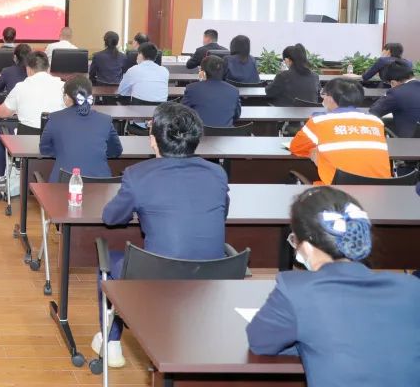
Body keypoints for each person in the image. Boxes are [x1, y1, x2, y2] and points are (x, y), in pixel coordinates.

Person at [96, 102, 229, 368]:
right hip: (212, 278)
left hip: (156, 278)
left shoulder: (137, 175)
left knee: (107, 261)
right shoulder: (218, 173)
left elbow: (111, 217)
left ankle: (111, 342)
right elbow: (222, 213)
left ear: (153, 141)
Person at [247, 187, 420, 384]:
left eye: (295, 240)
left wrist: (307, 341)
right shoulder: (411, 288)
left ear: (307, 247)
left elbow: (260, 343)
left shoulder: (296, 291)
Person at [0, 51, 65, 189]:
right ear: (48, 68)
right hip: (56, 145)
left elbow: (3, 113)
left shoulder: (21, 87)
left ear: (28, 69)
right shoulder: (63, 86)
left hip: (27, 145)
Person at [289, 78, 391, 184]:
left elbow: (296, 147)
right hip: (382, 188)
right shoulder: (376, 121)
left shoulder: (319, 121)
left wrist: (316, 153)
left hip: (338, 190)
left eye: (324, 94)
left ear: (330, 98)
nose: (323, 98)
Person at [40, 75, 122, 182]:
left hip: (63, 185)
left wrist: (64, 151)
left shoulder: (55, 118)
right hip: (100, 186)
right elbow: (116, 151)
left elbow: (44, 149)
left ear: (67, 97)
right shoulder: (105, 120)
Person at [180, 55, 241, 128]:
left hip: (200, 133)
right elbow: (236, 116)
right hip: (227, 133)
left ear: (202, 72)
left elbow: (182, 113)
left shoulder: (192, 89)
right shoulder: (234, 90)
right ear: (224, 72)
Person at [369, 59, 420, 138]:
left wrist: (387, 94)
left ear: (393, 82)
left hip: (408, 141)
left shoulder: (396, 93)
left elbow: (373, 111)